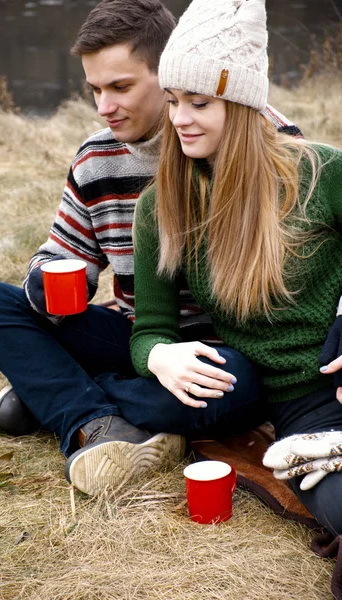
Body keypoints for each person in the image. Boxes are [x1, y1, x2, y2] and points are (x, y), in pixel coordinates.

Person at [0, 0, 303, 496]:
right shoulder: (96, 158)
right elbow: (58, 253)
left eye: (120, 87)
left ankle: (53, 394)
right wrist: (51, 278)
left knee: (222, 396)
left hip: (229, 352)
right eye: (95, 90)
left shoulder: (254, 133)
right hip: (138, 340)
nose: (104, 106)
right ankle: (94, 422)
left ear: (169, 72)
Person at [130, 0, 342, 535]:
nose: (178, 118)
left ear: (242, 105)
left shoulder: (321, 173)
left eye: (198, 102)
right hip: (300, 408)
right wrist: (158, 356)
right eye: (174, 100)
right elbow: (149, 328)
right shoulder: (162, 206)